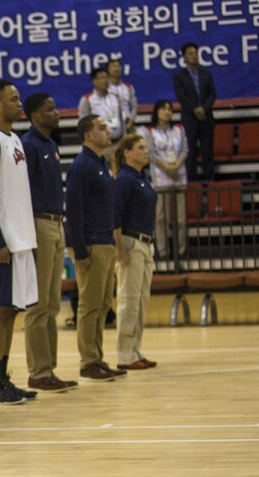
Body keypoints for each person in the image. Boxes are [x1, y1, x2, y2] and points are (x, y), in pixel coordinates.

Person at [0, 79, 39, 405]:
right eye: (14, 99)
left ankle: (3, 378)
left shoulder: (14, 139)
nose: (20, 103)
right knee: (0, 311)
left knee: (12, 310)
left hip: (21, 238)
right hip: (4, 241)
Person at [21, 93, 78, 393]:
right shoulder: (29, 146)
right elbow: (23, 191)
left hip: (57, 222)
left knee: (54, 304)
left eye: (56, 108)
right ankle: (39, 371)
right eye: (49, 110)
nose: (56, 114)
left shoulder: (51, 145)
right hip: (39, 223)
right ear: (33, 116)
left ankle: (50, 368)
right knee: (38, 304)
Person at [66, 115, 126, 382]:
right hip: (90, 242)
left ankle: (98, 358)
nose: (108, 131)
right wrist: (79, 250)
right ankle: (88, 361)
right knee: (90, 305)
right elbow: (75, 209)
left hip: (105, 241)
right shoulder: (81, 166)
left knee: (102, 304)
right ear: (88, 136)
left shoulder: (102, 163)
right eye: (102, 128)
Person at [112, 133, 158, 372]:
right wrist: (120, 250)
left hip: (145, 243)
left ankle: (136, 349)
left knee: (141, 300)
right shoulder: (124, 180)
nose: (145, 151)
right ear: (127, 152)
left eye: (145, 147)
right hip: (130, 242)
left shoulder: (142, 178)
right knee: (128, 301)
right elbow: (115, 216)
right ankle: (124, 354)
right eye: (140, 148)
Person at [143, 99, 188, 258]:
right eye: (163, 109)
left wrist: (176, 166)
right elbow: (151, 154)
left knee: (180, 219)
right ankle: (163, 252)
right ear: (156, 112)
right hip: (161, 179)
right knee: (161, 218)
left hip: (179, 177)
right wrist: (168, 168)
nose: (167, 112)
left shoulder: (179, 129)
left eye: (169, 109)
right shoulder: (150, 131)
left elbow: (184, 150)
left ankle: (180, 251)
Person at [172, 43, 217, 181]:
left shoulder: (206, 74)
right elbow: (181, 97)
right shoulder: (179, 76)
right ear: (184, 57)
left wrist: (204, 108)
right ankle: (192, 185)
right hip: (190, 119)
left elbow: (212, 94)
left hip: (206, 118)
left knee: (207, 153)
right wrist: (194, 109)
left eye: (195, 53)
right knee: (190, 153)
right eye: (190, 53)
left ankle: (210, 184)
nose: (194, 55)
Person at [78, 68, 124, 146]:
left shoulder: (115, 97)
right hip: (99, 144)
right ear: (94, 81)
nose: (105, 80)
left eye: (106, 77)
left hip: (118, 141)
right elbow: (83, 123)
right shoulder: (87, 99)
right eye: (101, 78)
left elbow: (121, 117)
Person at [107, 59, 138, 134]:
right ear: (108, 70)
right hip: (111, 124)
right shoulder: (105, 88)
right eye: (113, 66)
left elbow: (134, 107)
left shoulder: (128, 87)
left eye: (118, 66)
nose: (116, 69)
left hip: (127, 123)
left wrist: (130, 122)